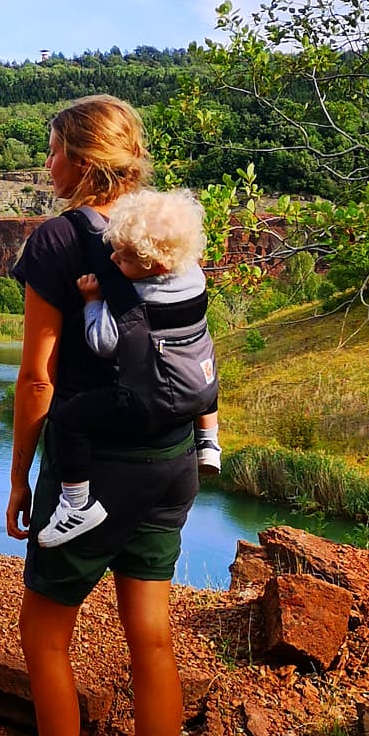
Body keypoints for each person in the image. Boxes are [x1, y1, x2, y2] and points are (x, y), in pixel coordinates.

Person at [0, 98, 200, 736]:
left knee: (45, 637)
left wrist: (20, 476)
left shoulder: (58, 238)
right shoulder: (166, 228)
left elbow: (37, 375)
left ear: (82, 161)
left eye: (51, 152)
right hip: (171, 459)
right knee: (150, 637)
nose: (45, 167)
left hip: (95, 465)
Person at [39, 187, 220, 548]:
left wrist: (93, 301)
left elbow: (104, 344)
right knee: (204, 366)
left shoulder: (137, 299)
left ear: (156, 265)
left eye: (124, 259)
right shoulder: (194, 279)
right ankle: (209, 442)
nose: (113, 261)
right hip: (200, 390)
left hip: (149, 401)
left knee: (70, 420)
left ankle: (77, 505)